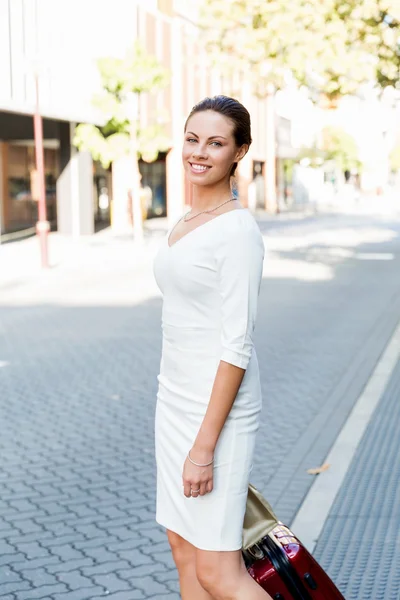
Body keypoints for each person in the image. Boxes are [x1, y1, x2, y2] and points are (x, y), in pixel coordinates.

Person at [153, 95, 271, 600]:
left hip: (217, 419)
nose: (199, 152)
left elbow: (236, 346)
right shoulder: (184, 219)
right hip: (174, 402)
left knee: (218, 572)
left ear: (238, 152)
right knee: (184, 553)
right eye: (192, 138)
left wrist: (204, 448)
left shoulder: (237, 231)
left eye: (216, 143)